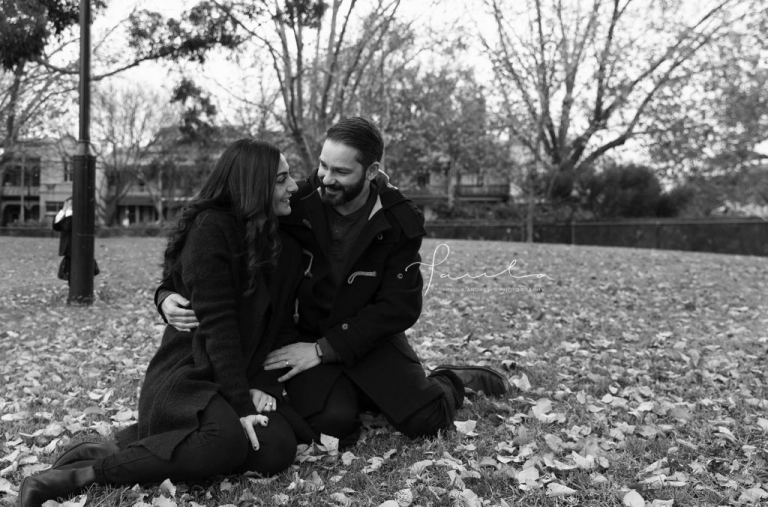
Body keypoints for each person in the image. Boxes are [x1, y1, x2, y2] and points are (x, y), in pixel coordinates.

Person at [160, 118, 510, 448]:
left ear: (371, 171)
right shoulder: (294, 201)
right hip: (305, 333)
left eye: (341, 171)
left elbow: (400, 307)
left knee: (425, 419)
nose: (326, 178)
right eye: (323, 165)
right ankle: (364, 393)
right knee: (332, 425)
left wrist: (323, 350)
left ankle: (452, 379)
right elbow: (216, 242)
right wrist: (166, 293)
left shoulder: (398, 222)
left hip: (367, 335)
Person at [19, 139, 307, 507]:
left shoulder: (284, 246)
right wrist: (241, 405)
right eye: (282, 180)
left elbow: (281, 327)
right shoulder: (211, 230)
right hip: (190, 371)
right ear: (255, 186)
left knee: (277, 449)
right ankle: (79, 475)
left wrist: (261, 386)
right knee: (226, 440)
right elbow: (217, 326)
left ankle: (115, 445)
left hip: (240, 375)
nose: (293, 187)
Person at [52, 198, 99, 284]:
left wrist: (69, 210)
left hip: (80, 251)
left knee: (81, 278)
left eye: (69, 205)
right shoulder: (68, 217)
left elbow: (68, 226)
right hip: (70, 252)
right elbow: (56, 226)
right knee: (72, 278)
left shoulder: (80, 216)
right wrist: (63, 211)